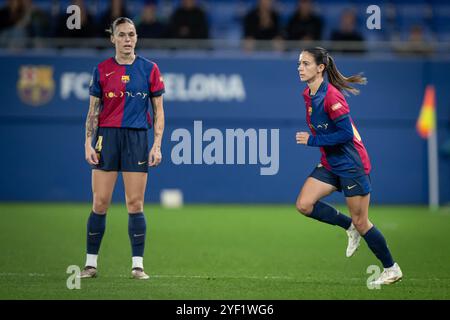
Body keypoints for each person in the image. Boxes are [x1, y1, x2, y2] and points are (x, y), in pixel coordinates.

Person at [295, 47, 402, 285]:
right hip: (331, 163)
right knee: (304, 204)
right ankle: (348, 227)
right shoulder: (308, 95)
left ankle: (391, 268)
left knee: (363, 221)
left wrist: (312, 140)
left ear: (320, 67)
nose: (300, 68)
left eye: (305, 63)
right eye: (299, 63)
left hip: (351, 165)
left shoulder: (332, 97)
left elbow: (344, 134)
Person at [80, 17, 165, 280]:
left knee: (135, 203)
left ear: (136, 38)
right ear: (113, 39)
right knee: (100, 202)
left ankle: (137, 265)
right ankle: (91, 264)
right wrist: (88, 142)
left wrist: (157, 145)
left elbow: (159, 112)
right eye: (122, 35)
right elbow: (93, 111)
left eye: (132, 34)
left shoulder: (149, 69)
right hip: (107, 137)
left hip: (137, 138)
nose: (128, 39)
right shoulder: (102, 69)